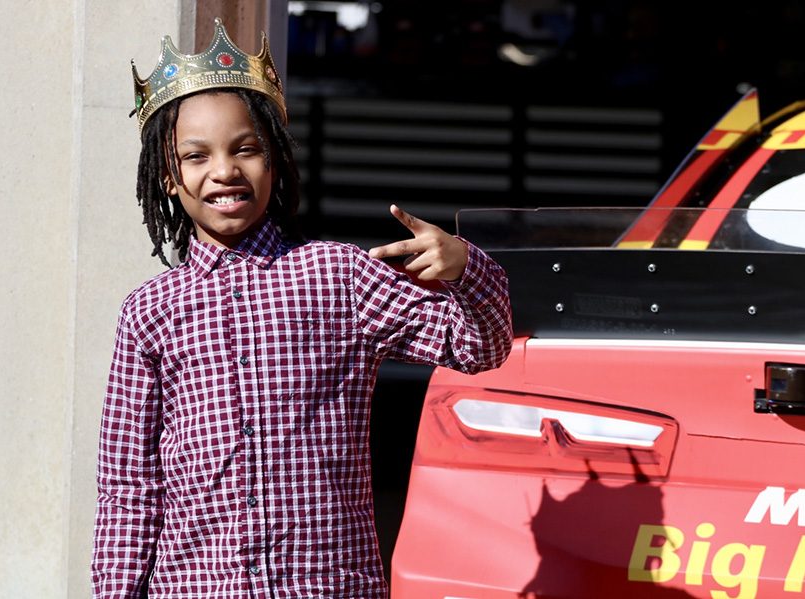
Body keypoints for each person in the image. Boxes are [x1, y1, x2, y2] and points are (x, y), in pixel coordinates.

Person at [89, 18, 513, 599]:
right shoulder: (149, 311)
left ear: (275, 159)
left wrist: (469, 269)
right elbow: (128, 485)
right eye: (196, 157)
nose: (224, 171)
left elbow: (479, 349)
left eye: (246, 149)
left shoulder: (338, 275)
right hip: (195, 587)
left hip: (328, 586)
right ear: (167, 176)